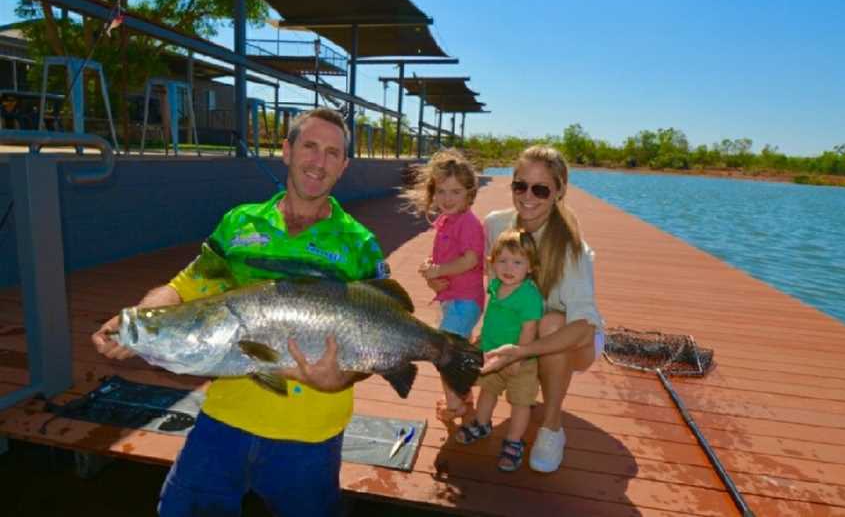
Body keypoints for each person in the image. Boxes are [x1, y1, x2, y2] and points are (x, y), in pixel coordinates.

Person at [91, 107, 388, 517]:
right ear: (286, 151)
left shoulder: (361, 245)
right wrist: (137, 322)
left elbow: (378, 334)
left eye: (332, 153)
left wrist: (342, 378)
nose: (318, 162)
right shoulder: (238, 224)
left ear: (344, 166)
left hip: (312, 433)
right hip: (226, 418)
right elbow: (184, 287)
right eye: (310, 147)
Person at [481, 145, 604, 474]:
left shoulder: (574, 250)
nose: (527, 197)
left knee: (551, 323)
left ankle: (551, 427)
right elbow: (494, 290)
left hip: (573, 340)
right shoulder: (496, 226)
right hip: (521, 330)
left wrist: (522, 351)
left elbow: (584, 326)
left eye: (540, 189)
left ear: (559, 191)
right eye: (520, 186)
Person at [401, 149, 485, 422]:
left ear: (469, 194)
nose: (447, 198)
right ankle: (463, 394)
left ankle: (454, 405)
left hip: (464, 302)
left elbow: (471, 260)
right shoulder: (446, 221)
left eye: (456, 192)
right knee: (459, 350)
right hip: (452, 299)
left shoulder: (469, 223)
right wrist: (431, 266)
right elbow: (448, 257)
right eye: (442, 191)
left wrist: (439, 270)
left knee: (445, 351)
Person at [454, 229, 544, 473]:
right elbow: (493, 317)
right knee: (488, 390)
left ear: (530, 267)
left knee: (520, 403)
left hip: (520, 361)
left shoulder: (528, 296)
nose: (509, 267)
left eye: (517, 262)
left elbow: (529, 328)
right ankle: (482, 424)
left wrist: (519, 355)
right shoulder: (495, 285)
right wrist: (482, 340)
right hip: (492, 355)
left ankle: (514, 441)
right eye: (502, 260)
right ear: (493, 264)